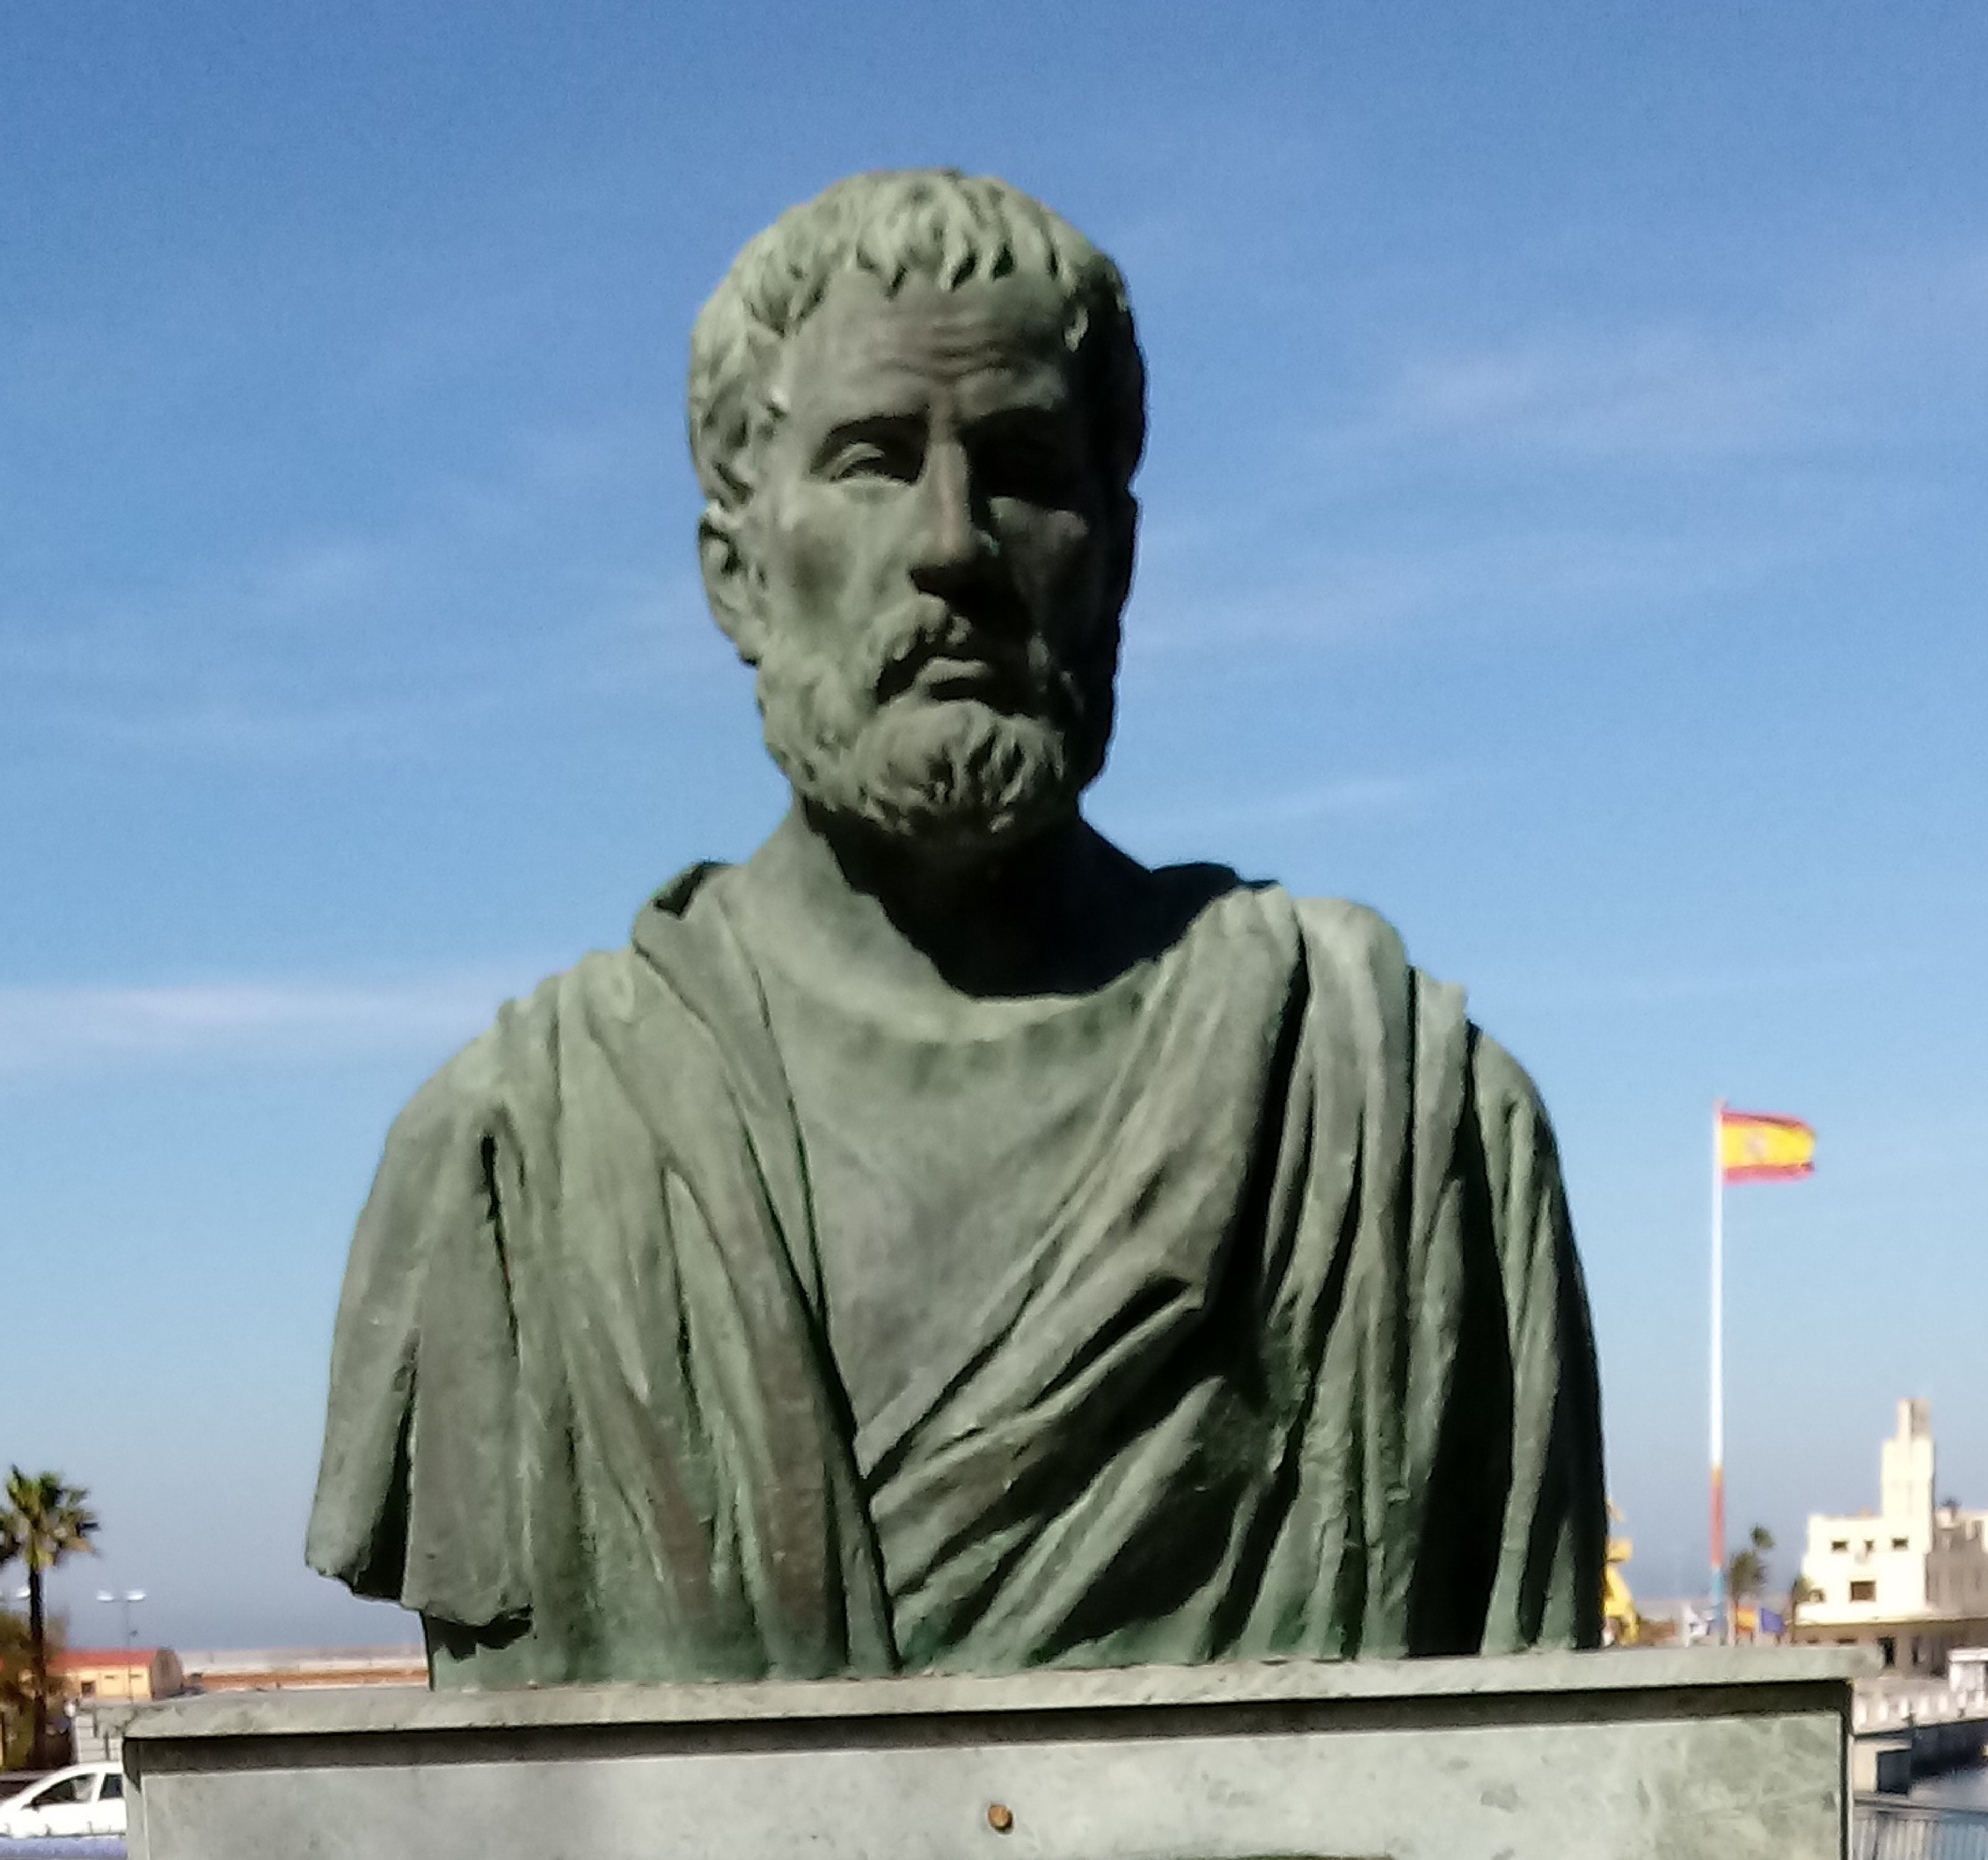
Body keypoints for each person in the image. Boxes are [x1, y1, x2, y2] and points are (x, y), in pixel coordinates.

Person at [308, 169, 1605, 1688]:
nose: (951, 547)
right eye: (869, 463)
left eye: (1022, 467)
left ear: (1113, 560)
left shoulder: (1397, 1119)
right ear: (734, 572)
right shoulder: (514, 1157)